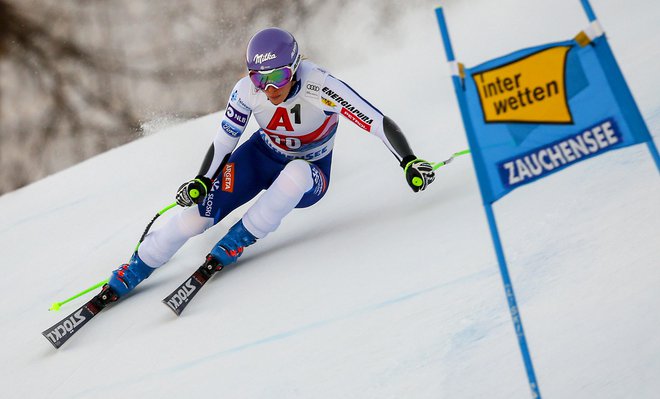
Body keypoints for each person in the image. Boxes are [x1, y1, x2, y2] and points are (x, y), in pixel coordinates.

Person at [102, 27, 436, 300]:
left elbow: (376, 121)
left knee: (296, 172)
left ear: (294, 66)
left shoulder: (321, 84)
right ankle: (135, 268)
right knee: (197, 215)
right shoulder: (247, 91)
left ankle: (236, 241)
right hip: (260, 158)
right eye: (260, 79)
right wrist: (202, 180)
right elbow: (224, 143)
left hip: (310, 172)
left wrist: (408, 160)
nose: (270, 88)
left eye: (278, 76)